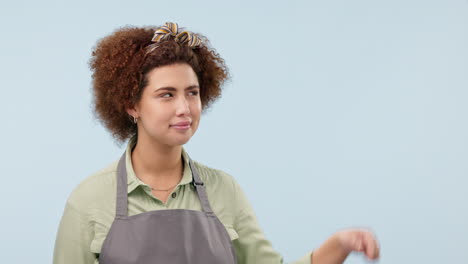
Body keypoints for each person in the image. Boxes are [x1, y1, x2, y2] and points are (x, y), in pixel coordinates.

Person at [53, 22, 380, 264]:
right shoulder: (89, 201)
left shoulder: (225, 191)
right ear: (131, 105)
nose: (184, 108)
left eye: (192, 93)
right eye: (167, 94)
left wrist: (337, 246)